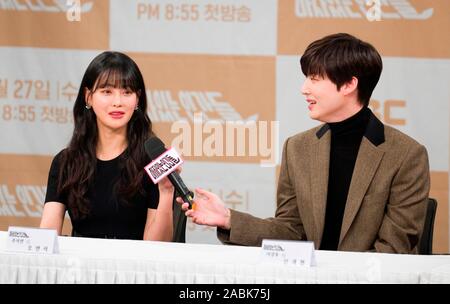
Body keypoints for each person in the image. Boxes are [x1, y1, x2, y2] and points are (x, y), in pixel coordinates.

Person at [179, 33, 430, 253]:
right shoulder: (297, 148)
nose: (304, 88)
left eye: (315, 78)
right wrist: (228, 219)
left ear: (349, 84)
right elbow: (290, 231)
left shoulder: (406, 155)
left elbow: (393, 250)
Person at [40, 51, 176, 241]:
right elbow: (46, 237)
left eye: (126, 92)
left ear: (137, 99)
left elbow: (157, 249)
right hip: (80, 268)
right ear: (88, 97)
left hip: (134, 267)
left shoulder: (153, 160)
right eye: (107, 92)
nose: (117, 102)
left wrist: (166, 191)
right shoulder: (66, 162)